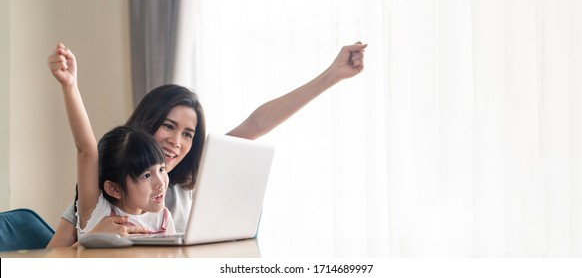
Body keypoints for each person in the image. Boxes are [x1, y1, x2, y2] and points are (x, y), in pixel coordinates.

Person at [46, 41, 367, 247]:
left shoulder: (187, 179)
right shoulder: (106, 193)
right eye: (168, 126)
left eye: (188, 134)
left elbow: (255, 125)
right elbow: (51, 258)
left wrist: (332, 75)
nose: (177, 142)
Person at [53, 48, 176, 238]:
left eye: (161, 169)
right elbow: (86, 150)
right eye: (145, 175)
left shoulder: (163, 218)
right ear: (114, 188)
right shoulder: (98, 212)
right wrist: (70, 86)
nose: (160, 182)